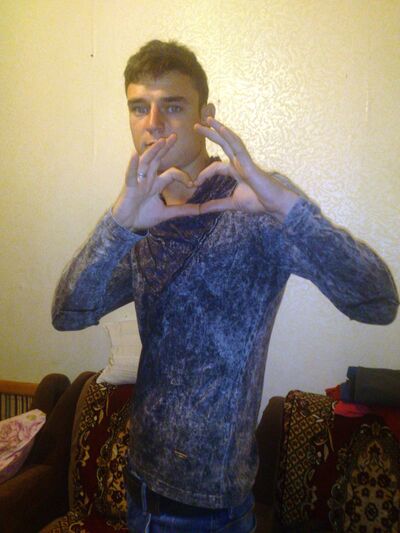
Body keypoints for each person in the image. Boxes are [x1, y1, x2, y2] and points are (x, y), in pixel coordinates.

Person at [52, 40, 399, 533]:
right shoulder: (142, 214)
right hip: (140, 483)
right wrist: (119, 225)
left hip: (216, 506)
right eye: (139, 107)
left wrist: (290, 210)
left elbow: (378, 303)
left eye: (173, 106)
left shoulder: (252, 201)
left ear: (205, 115)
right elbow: (68, 313)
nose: (153, 123)